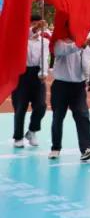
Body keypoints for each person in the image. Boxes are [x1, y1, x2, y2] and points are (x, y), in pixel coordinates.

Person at [49, 29, 90, 161]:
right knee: (58, 117)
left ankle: (86, 148)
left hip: (78, 86)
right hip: (60, 85)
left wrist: (89, 79)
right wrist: (81, 44)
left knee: (83, 116)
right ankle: (55, 147)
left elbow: (86, 62)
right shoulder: (59, 43)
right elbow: (63, 51)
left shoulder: (84, 44)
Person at [12, 14, 49, 148]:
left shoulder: (44, 42)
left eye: (39, 25)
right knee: (20, 107)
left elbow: (44, 58)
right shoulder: (20, 39)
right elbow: (27, 35)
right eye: (34, 24)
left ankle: (32, 131)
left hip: (37, 74)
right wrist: (33, 29)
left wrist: (43, 72)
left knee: (41, 106)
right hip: (21, 74)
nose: (38, 28)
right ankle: (18, 137)